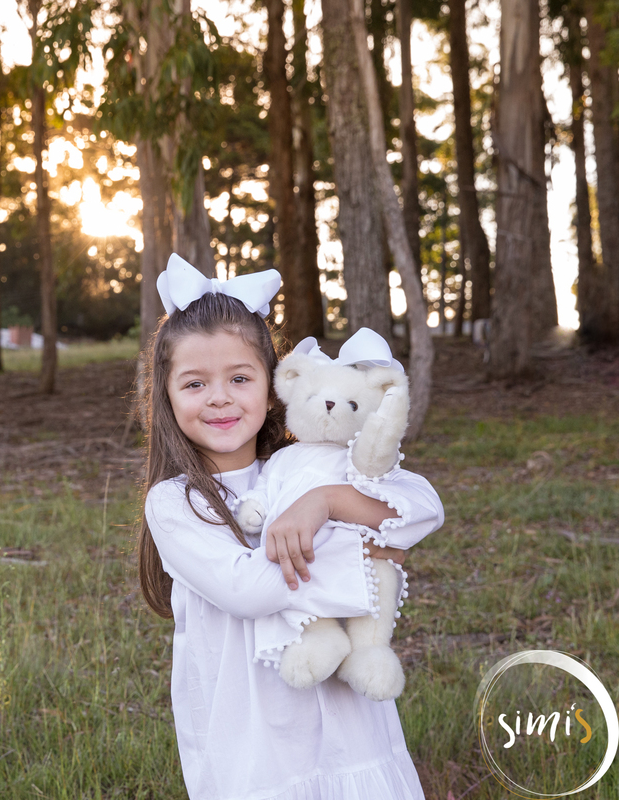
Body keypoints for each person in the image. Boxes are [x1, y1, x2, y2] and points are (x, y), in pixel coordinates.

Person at [139, 255, 443, 799]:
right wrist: (361, 543)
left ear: (273, 385)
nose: (219, 397)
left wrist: (325, 502)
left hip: (349, 728)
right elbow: (249, 590)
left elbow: (419, 508)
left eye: (239, 377)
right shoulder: (176, 502)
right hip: (256, 738)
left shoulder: (309, 465)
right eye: (194, 383)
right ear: (165, 393)